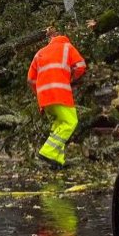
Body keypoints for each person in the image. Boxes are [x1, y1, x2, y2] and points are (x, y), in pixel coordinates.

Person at [27, 23, 88, 169]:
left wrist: (40, 93)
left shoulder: (39, 53)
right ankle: (48, 151)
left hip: (44, 97)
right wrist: (71, 78)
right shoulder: (67, 47)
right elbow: (81, 66)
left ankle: (57, 160)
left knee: (57, 127)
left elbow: (30, 80)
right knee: (70, 122)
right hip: (60, 93)